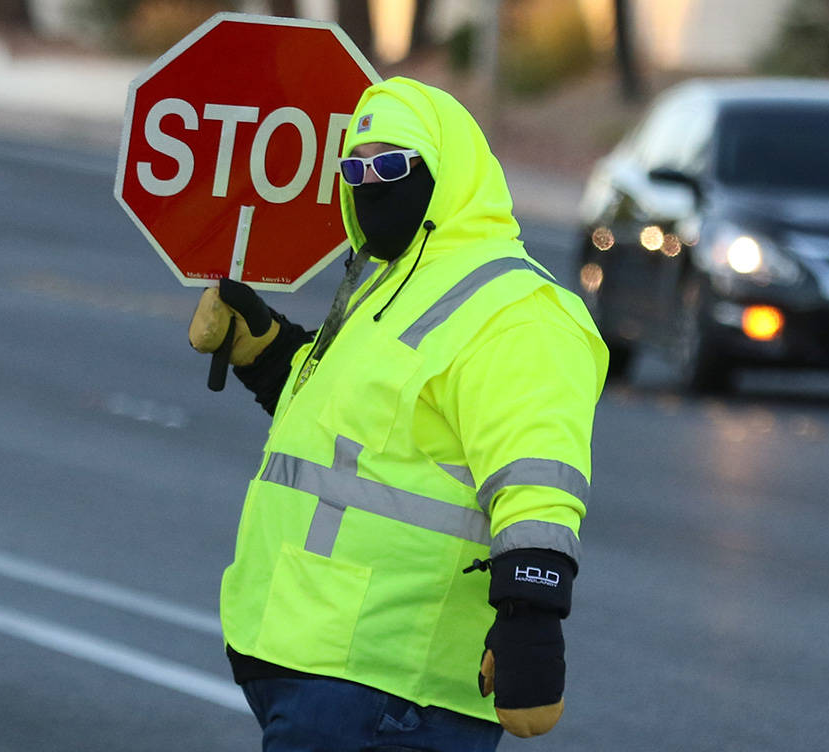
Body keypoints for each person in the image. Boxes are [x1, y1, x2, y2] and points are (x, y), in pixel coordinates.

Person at [189, 76, 608, 751]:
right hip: (317, 664)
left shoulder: (518, 311)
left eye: (391, 165)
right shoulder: (387, 283)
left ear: (448, 173)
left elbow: (538, 479)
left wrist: (532, 618)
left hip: (393, 687)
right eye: (354, 168)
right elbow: (347, 427)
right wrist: (262, 350)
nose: (370, 184)